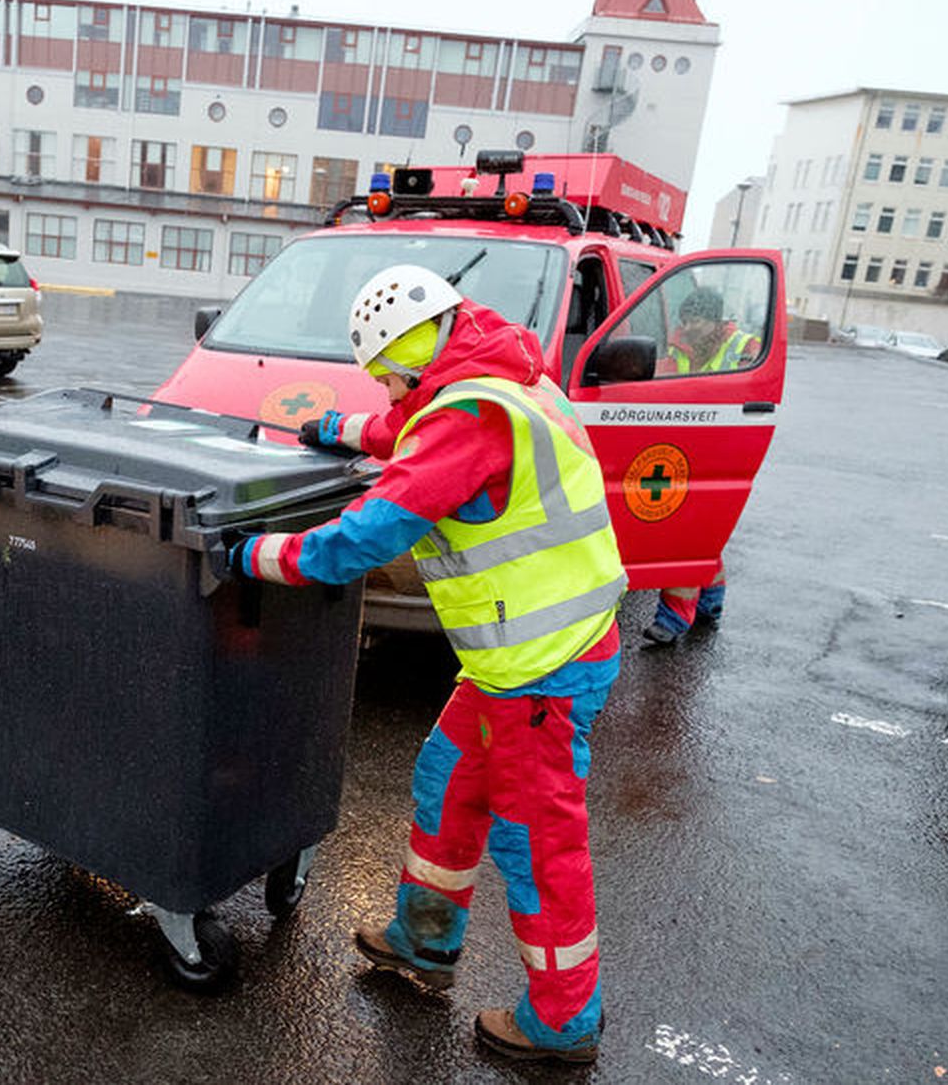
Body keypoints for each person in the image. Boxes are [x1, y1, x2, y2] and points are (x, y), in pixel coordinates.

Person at [235, 264, 626, 1063]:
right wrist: (335, 430)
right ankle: (424, 940)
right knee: (446, 784)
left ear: (405, 363)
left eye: (385, 380)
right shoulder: (495, 379)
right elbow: (406, 433)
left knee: (536, 843)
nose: (385, 394)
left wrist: (253, 556)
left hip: (542, 671)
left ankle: (563, 1023)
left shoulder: (471, 415)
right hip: (513, 663)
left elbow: (365, 538)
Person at [643, 287, 760, 644]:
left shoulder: (746, 346)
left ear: (715, 319)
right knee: (704, 535)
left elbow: (754, 387)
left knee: (687, 539)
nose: (689, 327)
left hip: (722, 448)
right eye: (686, 319)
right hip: (678, 448)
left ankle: (673, 621)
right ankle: (710, 601)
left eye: (697, 320)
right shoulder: (676, 347)